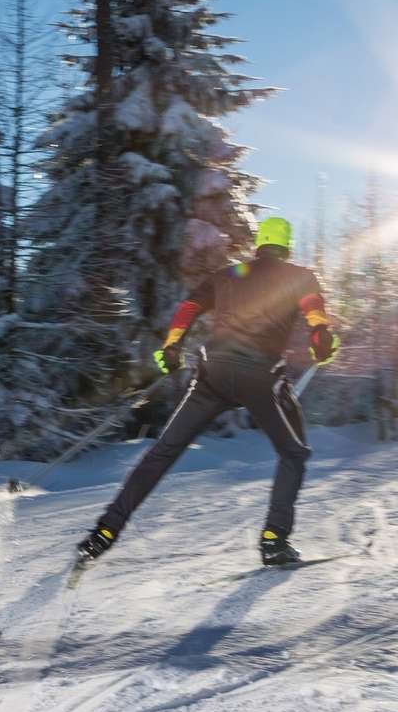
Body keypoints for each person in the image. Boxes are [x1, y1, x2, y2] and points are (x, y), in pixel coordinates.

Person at [76, 217, 339, 567]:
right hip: (259, 377)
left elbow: (189, 307)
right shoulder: (299, 275)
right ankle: (274, 540)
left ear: (259, 245)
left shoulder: (230, 274)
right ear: (286, 246)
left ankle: (103, 533)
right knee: (293, 453)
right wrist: (322, 338)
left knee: (163, 452)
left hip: (212, 373)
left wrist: (171, 347)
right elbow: (313, 312)